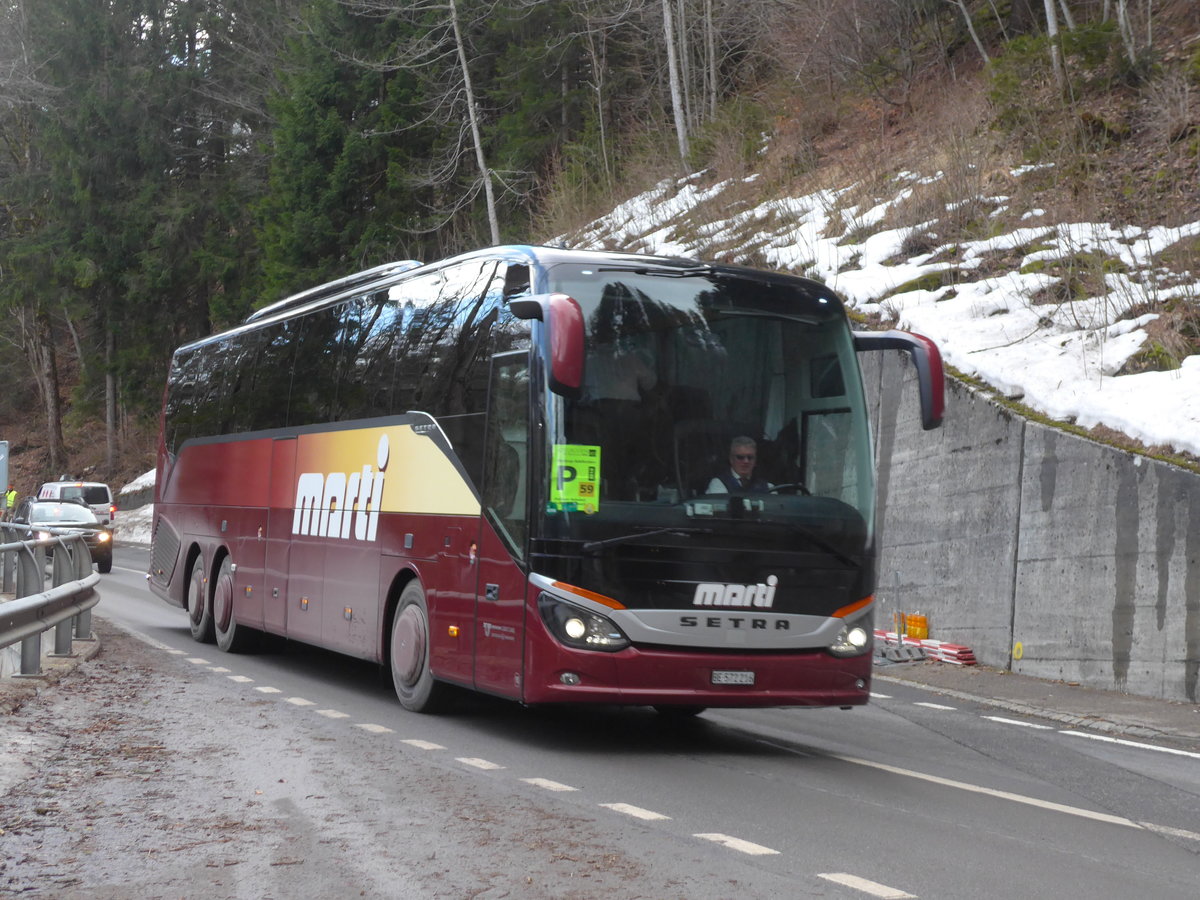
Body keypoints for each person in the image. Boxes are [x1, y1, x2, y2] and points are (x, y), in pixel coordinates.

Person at [707, 436, 771, 494]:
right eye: (740, 457)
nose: (746, 461)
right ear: (731, 459)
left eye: (750, 457)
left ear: (755, 460)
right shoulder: (718, 484)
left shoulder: (768, 487)